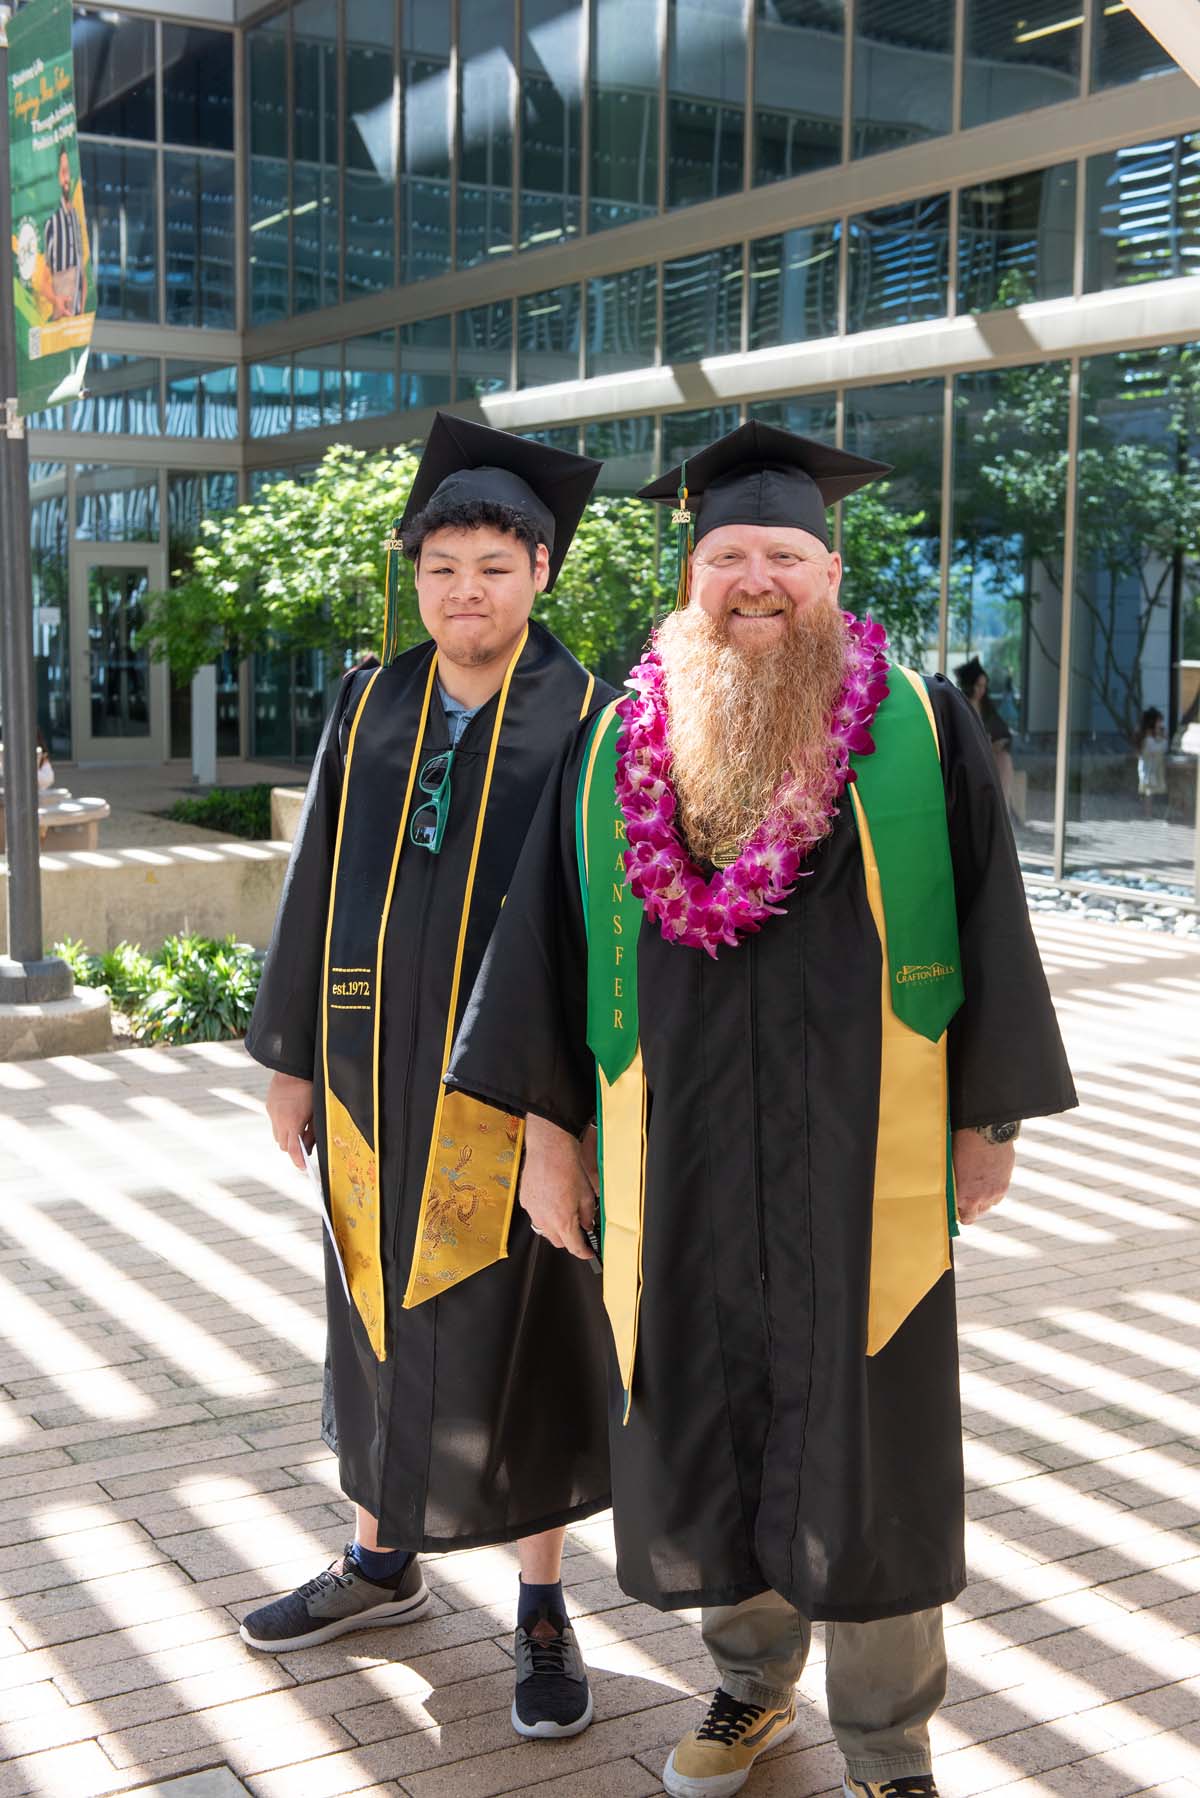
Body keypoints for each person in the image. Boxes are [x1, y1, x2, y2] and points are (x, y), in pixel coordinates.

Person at [447, 420, 1077, 1797]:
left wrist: (990, 1117)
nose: (755, 576)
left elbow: (989, 918)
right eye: (728, 551)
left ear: (829, 571)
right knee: (704, 1416)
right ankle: (747, 1689)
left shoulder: (914, 725)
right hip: (678, 1158)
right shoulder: (622, 738)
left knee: (873, 1442)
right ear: (691, 572)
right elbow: (544, 943)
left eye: (783, 553)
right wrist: (549, 1134)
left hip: (865, 1155)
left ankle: (889, 1740)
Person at [241, 415, 615, 1741]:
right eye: (443, 564)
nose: (466, 589)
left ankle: (540, 1604)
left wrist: (565, 1109)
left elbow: (601, 921)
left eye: (494, 567)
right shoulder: (373, 698)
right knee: (369, 1310)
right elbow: (313, 880)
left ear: (544, 571)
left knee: (529, 1341)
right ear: (417, 577)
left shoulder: (590, 716)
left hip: (513, 1095)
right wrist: (287, 1057)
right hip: (364, 1079)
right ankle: (381, 1558)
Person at [954, 656, 1014, 816]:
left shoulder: (985, 706)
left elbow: (1001, 730)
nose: (981, 690)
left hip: (989, 754)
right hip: (969, 757)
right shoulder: (960, 705)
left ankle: (1002, 810)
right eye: (978, 686)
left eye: (984, 686)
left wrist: (996, 743)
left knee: (1004, 759)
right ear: (970, 685)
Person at [43, 149, 83, 320]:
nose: (67, 178)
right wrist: (55, 300)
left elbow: (82, 268)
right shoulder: (51, 222)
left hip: (76, 323)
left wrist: (82, 308)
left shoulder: (76, 217)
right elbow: (41, 280)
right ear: (58, 176)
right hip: (59, 325)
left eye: (69, 172)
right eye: (63, 172)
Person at [1136, 706, 1168, 818]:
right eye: (1159, 721)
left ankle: (1147, 811)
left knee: (1149, 791)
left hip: (1150, 767)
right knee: (1148, 791)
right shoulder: (1148, 738)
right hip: (1149, 768)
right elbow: (1158, 749)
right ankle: (1147, 813)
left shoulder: (1149, 736)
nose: (1161, 724)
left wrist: (1161, 737)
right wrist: (1164, 739)